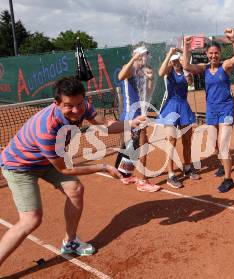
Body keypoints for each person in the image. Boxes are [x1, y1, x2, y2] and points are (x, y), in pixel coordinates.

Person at [0, 76, 145, 265]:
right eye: (69, 106)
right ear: (57, 103)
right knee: (31, 220)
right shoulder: (47, 127)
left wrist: (130, 123)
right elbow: (63, 168)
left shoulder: (82, 106)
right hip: (21, 166)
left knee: (75, 190)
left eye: (79, 104)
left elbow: (106, 125)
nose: (76, 111)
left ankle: (70, 242)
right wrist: (103, 166)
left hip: (46, 161)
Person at [182, 28, 234, 193]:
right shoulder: (204, 68)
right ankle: (224, 165)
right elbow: (185, 65)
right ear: (207, 54)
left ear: (220, 54)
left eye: (216, 53)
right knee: (214, 143)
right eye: (210, 53)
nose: (213, 56)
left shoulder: (225, 67)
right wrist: (186, 46)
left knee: (223, 145)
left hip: (226, 109)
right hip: (211, 110)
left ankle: (228, 179)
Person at [117, 45, 161, 192]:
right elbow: (121, 76)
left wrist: (150, 79)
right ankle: (143, 181)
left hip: (138, 114)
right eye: (142, 55)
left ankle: (124, 174)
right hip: (132, 114)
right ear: (136, 55)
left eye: (146, 55)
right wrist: (132, 60)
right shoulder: (129, 68)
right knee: (142, 145)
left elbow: (147, 92)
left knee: (133, 146)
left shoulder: (142, 71)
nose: (145, 58)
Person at [157, 48, 201, 188]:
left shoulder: (185, 70)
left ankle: (187, 167)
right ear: (171, 60)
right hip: (170, 107)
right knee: (171, 140)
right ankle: (171, 175)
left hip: (183, 107)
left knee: (187, 140)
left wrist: (186, 67)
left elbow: (190, 82)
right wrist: (170, 54)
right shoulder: (168, 71)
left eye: (178, 60)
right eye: (174, 60)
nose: (176, 62)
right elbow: (160, 72)